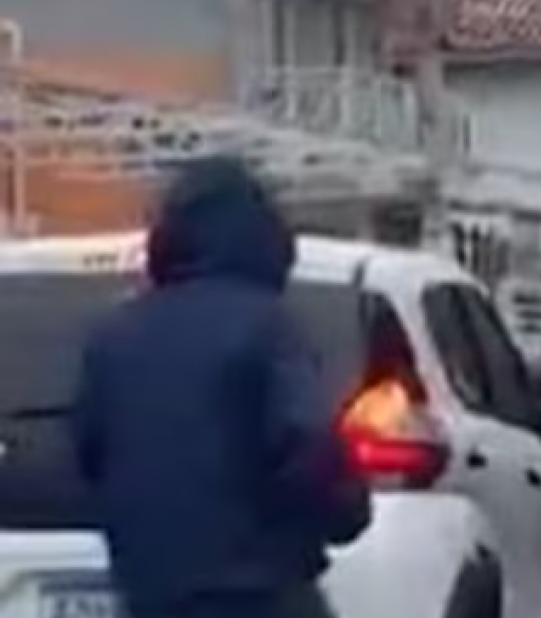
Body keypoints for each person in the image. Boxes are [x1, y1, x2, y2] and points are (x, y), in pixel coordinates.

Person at [70, 156, 372, 618]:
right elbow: (309, 445)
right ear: (266, 238)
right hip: (257, 589)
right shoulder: (269, 325)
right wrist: (342, 512)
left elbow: (89, 452)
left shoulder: (114, 334)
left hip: (154, 591)